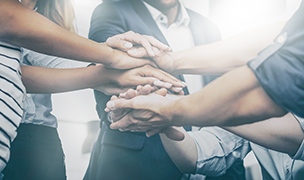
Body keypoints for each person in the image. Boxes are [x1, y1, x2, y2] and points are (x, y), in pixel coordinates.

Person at [0, 0, 183, 179]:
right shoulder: (2, 12)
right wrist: (111, 58)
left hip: (28, 137)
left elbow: (24, 70)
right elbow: (9, 22)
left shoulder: (50, 11)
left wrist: (104, 67)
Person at [84, 0, 245, 179]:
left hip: (215, 159)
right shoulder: (112, 10)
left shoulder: (209, 27)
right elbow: (108, 72)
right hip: (138, 164)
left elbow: (226, 90)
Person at [105, 0, 304, 134]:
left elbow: (271, 82)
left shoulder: (206, 25)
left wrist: (173, 108)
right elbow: (281, 40)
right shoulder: (114, 11)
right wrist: (173, 61)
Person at [117, 85, 304, 179]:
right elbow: (197, 156)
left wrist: (178, 107)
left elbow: (295, 137)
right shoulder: (264, 93)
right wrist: (167, 123)